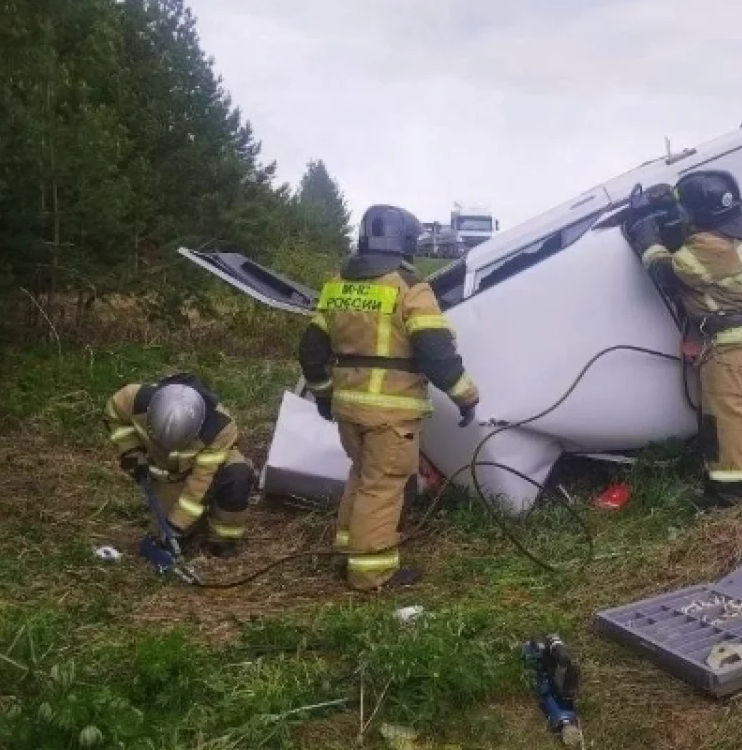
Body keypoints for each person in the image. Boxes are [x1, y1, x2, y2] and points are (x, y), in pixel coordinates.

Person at [298, 204, 480, 592]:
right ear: (408, 242)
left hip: (348, 408)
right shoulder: (410, 287)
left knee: (362, 477)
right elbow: (435, 352)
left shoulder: (337, 286)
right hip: (391, 413)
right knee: (384, 486)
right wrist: (466, 396)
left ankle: (346, 552)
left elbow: (311, 352)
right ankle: (371, 572)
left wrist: (323, 396)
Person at [622, 171, 742, 510]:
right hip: (732, 338)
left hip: (735, 341)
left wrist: (646, 236)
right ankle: (719, 484)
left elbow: (666, 272)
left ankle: (735, 498)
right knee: (718, 418)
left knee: (730, 417)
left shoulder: (709, 246)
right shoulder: (724, 232)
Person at [105, 373, 255, 558]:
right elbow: (115, 417)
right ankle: (187, 526)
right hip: (169, 472)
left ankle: (223, 540)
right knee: (163, 534)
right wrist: (131, 452)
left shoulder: (220, 428)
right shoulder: (132, 399)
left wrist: (176, 525)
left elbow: (202, 482)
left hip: (208, 467)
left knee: (237, 475)